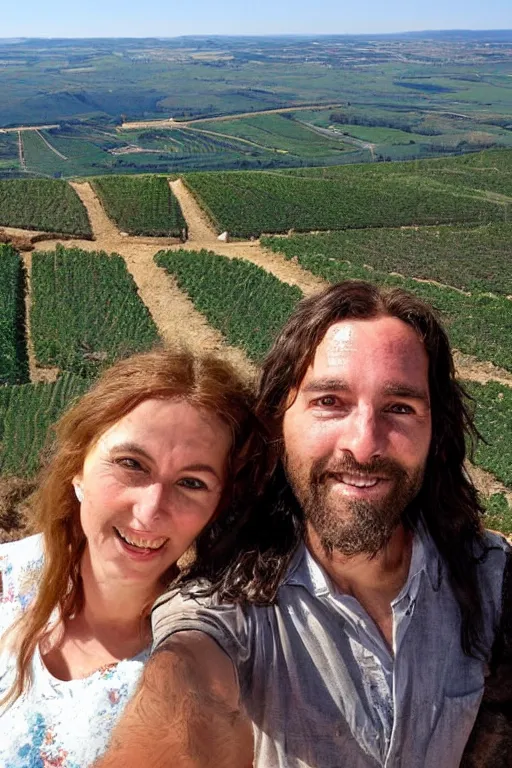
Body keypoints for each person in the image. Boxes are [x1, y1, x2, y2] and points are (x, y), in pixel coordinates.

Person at [97, 281, 511, 768]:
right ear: (277, 422)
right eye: (329, 402)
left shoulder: (487, 579)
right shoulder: (227, 603)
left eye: (399, 408)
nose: (363, 444)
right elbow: (186, 691)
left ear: (435, 430)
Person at [0, 348, 266, 767]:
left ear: (217, 508)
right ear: (78, 467)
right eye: (131, 464)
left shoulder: (202, 663)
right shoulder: (5, 578)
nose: (150, 510)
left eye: (192, 483)